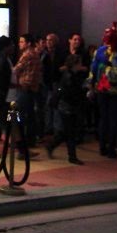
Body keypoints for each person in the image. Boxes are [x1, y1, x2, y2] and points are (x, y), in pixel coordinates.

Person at [87, 23, 117, 159]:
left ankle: (102, 146)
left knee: (103, 119)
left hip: (102, 89)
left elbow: (93, 70)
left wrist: (91, 86)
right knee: (114, 120)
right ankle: (111, 148)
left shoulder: (99, 51)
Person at [46, 32, 88, 164]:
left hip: (65, 106)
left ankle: (52, 146)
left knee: (67, 131)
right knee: (70, 132)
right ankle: (71, 156)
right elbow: (71, 93)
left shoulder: (68, 76)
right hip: (68, 107)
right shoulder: (71, 78)